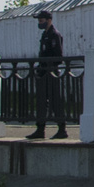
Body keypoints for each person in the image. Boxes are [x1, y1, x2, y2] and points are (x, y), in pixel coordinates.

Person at [29, 10, 70, 140]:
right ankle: (40, 129)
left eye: (41, 21)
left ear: (49, 20)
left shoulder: (54, 35)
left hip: (51, 72)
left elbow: (58, 56)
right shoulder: (45, 34)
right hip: (43, 73)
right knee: (41, 102)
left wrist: (48, 66)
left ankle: (62, 129)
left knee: (55, 101)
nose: (40, 23)